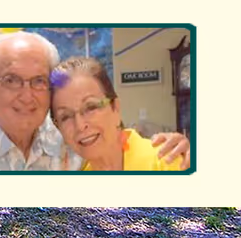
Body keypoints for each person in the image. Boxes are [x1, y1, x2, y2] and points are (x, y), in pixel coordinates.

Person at [0, 31, 188, 171]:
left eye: (39, 81)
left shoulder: (72, 149)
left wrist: (181, 149)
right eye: (11, 80)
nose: (26, 94)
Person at [51, 57, 184, 171]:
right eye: (65, 117)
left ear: (115, 107)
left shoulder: (168, 162)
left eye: (91, 107)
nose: (79, 125)